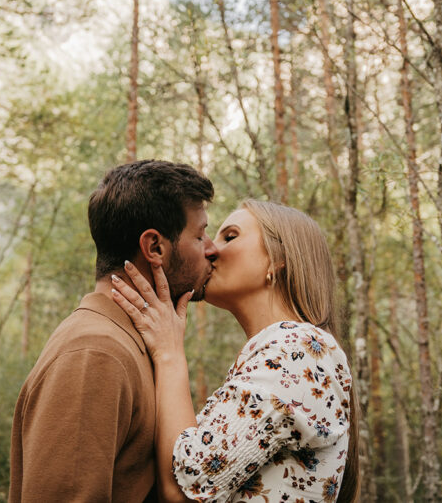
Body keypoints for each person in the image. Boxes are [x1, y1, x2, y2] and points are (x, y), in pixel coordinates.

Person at [112, 199, 359, 503]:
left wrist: (169, 353)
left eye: (230, 236)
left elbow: (184, 490)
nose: (210, 250)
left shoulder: (300, 349)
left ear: (278, 259)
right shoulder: (277, 354)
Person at [9, 160, 219, 502]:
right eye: (199, 235)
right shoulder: (95, 354)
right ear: (154, 248)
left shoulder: (129, 344)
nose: (211, 248)